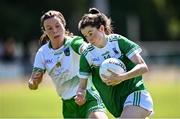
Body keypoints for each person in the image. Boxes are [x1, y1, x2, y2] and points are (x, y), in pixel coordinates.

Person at [28, 10, 108, 119]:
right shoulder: (42, 53)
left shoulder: (73, 43)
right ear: (45, 31)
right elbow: (34, 81)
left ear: (64, 25)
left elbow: (86, 49)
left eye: (57, 26)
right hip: (68, 105)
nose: (55, 31)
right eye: (49, 28)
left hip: (88, 96)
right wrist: (33, 82)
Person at [75, 8, 154, 119]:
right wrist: (80, 95)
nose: (89, 38)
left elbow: (143, 67)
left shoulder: (117, 41)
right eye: (86, 36)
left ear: (101, 28)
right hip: (116, 107)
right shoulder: (87, 55)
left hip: (136, 94)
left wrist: (121, 77)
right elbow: (82, 87)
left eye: (91, 33)